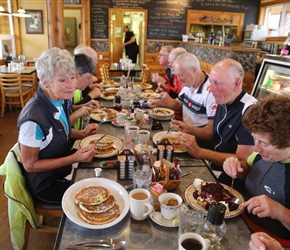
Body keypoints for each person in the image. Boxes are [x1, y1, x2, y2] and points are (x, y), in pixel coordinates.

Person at [17, 47, 97, 204]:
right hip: (47, 183)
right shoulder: (32, 119)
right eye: (62, 80)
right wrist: (73, 158)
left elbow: (59, 130)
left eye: (73, 77)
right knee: (94, 194)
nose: (71, 85)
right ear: (44, 81)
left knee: (101, 166)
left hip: (63, 167)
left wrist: (82, 134)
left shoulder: (60, 99)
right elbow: (30, 165)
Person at [223, 95, 290, 242]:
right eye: (254, 138)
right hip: (241, 221)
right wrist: (237, 166)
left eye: (264, 143)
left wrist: (280, 212)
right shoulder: (261, 154)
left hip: (271, 240)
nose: (256, 148)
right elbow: (248, 168)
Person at [179, 59, 256, 180]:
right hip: (211, 164)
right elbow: (215, 137)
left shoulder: (250, 111)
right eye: (210, 82)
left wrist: (199, 152)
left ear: (237, 83)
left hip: (229, 177)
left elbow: (242, 160)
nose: (211, 88)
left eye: (218, 83)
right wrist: (189, 132)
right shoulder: (223, 98)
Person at [148, 53, 217, 147]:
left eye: (181, 75)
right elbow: (177, 103)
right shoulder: (190, 83)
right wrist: (158, 102)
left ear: (193, 70)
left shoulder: (211, 92)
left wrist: (189, 129)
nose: (179, 80)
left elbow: (211, 132)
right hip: (185, 134)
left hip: (199, 143)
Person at [70, 53, 100, 130]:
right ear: (77, 75)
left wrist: (85, 105)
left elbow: (69, 109)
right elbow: (59, 127)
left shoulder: (73, 89)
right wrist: (77, 113)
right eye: (88, 78)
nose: (91, 82)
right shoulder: (65, 91)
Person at [155, 46, 186, 120]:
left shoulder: (183, 78)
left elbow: (180, 102)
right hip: (175, 114)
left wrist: (165, 83)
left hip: (179, 117)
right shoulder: (171, 72)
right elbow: (178, 99)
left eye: (161, 55)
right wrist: (166, 89)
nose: (158, 57)